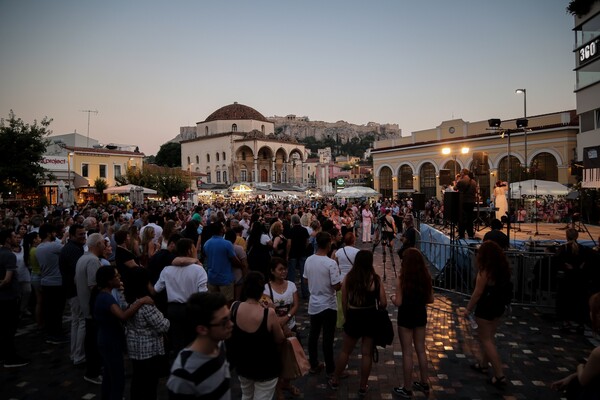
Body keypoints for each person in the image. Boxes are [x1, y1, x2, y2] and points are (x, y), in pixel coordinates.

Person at [328, 250, 386, 397]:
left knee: (345, 351)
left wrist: (347, 316)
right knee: (366, 354)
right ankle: (362, 385)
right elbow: (383, 302)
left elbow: (344, 300)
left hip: (354, 314)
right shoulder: (375, 279)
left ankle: (335, 379)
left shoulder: (349, 277)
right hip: (370, 315)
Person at [93, 266, 152, 400]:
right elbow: (123, 315)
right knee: (118, 379)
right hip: (110, 341)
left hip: (106, 339)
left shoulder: (103, 295)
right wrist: (141, 301)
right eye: (116, 276)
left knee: (109, 375)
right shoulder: (106, 298)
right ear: (109, 281)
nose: (119, 278)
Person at [228, 271, 285, 400]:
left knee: (246, 395)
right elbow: (279, 338)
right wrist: (273, 310)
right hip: (265, 367)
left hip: (243, 364)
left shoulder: (234, 307)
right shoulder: (268, 313)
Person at [463, 241, 512, 387]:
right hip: (498, 307)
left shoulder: (484, 271)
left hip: (485, 307)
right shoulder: (502, 268)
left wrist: (468, 309)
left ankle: (499, 375)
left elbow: (477, 293)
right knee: (489, 337)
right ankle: (484, 364)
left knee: (485, 339)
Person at [167, 292, 233, 399]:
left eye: (229, 318)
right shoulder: (182, 374)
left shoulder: (219, 345)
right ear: (202, 329)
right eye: (224, 322)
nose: (231, 324)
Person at [390, 248, 434, 398]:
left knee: (407, 352)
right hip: (420, 313)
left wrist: (392, 299)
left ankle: (407, 388)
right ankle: (424, 382)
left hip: (406, 315)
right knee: (421, 350)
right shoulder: (425, 277)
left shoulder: (402, 278)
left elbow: (399, 302)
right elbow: (431, 299)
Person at [153, 238, 208, 355]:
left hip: (174, 309)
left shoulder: (167, 270)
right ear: (189, 251)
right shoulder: (199, 270)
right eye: (194, 248)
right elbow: (203, 294)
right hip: (192, 308)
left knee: (177, 341)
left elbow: (157, 289)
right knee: (193, 340)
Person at [125, 270, 170, 400]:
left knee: (137, 380)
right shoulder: (146, 305)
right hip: (148, 350)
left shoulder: (127, 300)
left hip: (134, 348)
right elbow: (163, 325)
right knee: (149, 384)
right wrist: (165, 317)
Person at [303, 231, 342, 377]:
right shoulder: (330, 263)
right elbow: (336, 286)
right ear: (327, 244)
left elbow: (306, 280)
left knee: (313, 335)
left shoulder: (309, 260)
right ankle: (330, 368)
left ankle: (314, 363)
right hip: (328, 303)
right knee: (327, 337)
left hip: (314, 302)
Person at [263, 257, 301, 399]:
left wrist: (287, 318)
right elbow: (267, 309)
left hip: (290, 325)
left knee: (290, 358)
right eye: (280, 269)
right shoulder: (266, 288)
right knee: (277, 359)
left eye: (285, 269)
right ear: (272, 271)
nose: (284, 271)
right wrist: (282, 325)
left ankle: (287, 383)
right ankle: (278, 389)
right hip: (275, 329)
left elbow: (296, 305)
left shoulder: (291, 285)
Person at [551, 292, 600, 399]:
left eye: (592, 310)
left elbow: (583, 380)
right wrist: (572, 376)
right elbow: (593, 371)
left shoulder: (598, 353)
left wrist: (580, 366)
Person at [74, 233, 105, 385]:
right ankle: (93, 372)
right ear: (98, 244)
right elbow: (95, 286)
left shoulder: (82, 258)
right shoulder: (93, 261)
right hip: (92, 308)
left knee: (90, 339)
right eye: (103, 243)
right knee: (93, 342)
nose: (105, 246)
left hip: (85, 305)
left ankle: (93, 369)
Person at [0, 229, 30, 368]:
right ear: (7, 239)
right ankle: (10, 358)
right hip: (9, 296)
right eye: (13, 236)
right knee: (10, 328)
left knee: (4, 327)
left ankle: (4, 354)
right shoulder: (9, 255)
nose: (16, 238)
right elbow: (7, 280)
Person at [59, 223, 87, 366]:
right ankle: (79, 355)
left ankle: (75, 353)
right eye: (80, 234)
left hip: (70, 289)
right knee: (81, 321)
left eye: (84, 234)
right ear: (71, 236)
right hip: (76, 290)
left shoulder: (71, 248)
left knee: (76, 321)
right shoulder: (74, 250)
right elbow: (79, 273)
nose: (83, 237)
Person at [36, 223, 68, 344]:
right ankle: (56, 334)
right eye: (53, 233)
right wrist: (65, 236)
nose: (55, 234)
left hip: (46, 281)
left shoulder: (39, 247)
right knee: (57, 310)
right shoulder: (53, 246)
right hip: (56, 282)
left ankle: (52, 332)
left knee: (50, 310)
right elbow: (64, 249)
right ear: (49, 234)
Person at [203, 223, 241, 304]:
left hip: (212, 277)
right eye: (223, 227)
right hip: (225, 278)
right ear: (221, 230)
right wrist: (242, 265)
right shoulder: (227, 244)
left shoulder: (207, 243)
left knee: (213, 304)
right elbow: (234, 259)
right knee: (227, 304)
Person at [287, 214, 310, 300]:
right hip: (302, 253)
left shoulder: (291, 230)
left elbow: (289, 243)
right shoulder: (304, 230)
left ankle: (291, 294)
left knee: (291, 274)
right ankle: (305, 293)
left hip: (293, 254)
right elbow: (307, 241)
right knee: (303, 274)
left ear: (292, 222)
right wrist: (304, 248)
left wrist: (287, 254)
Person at [456, 168, 477, 239]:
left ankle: (461, 235)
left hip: (463, 202)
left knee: (462, 219)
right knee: (470, 219)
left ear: (462, 173)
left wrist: (457, 181)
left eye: (460, 172)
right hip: (472, 202)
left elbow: (455, 188)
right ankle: (470, 234)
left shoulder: (461, 181)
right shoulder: (474, 182)